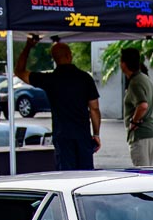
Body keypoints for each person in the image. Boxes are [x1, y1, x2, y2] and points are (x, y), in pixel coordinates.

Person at [16, 36, 101, 170]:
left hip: (62, 135)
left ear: (54, 59)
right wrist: (96, 134)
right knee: (86, 174)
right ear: (70, 56)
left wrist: (28, 47)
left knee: (66, 176)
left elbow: (19, 72)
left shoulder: (50, 79)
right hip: (83, 135)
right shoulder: (85, 78)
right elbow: (94, 108)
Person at [120, 47, 153, 166]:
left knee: (142, 173)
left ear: (124, 64)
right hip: (152, 131)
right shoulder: (144, 78)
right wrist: (149, 114)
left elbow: (142, 105)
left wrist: (134, 121)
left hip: (141, 134)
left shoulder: (135, 83)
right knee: (149, 172)